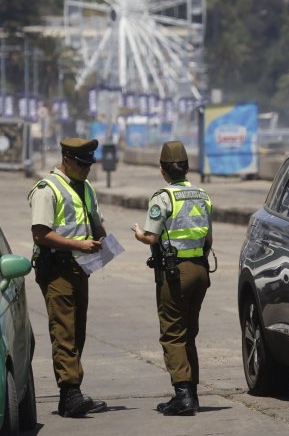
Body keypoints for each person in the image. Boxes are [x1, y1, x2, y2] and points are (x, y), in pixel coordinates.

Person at [28, 137, 108, 418]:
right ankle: (69, 393)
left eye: (90, 164)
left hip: (80, 267)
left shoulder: (85, 187)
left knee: (77, 330)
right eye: (83, 164)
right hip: (57, 268)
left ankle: (72, 393)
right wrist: (79, 245)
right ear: (68, 160)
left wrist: (100, 236)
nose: (87, 170)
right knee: (63, 330)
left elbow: (95, 220)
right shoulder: (46, 189)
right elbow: (41, 233)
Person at [132, 140, 213, 416]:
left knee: (172, 334)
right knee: (189, 332)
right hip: (201, 271)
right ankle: (192, 393)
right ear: (187, 168)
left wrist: (138, 234)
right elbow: (208, 238)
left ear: (163, 169)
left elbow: (152, 236)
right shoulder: (203, 195)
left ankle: (183, 395)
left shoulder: (162, 197)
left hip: (176, 273)